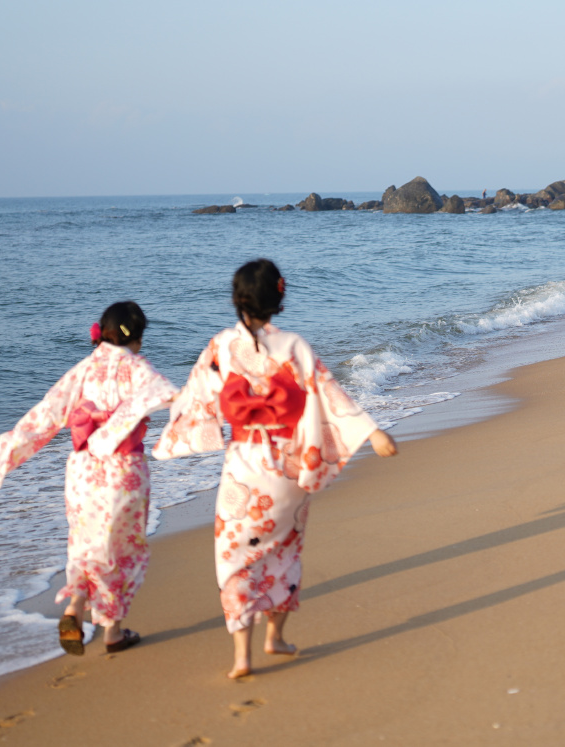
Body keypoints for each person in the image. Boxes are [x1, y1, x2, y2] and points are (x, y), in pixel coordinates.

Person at [153, 259, 398, 679]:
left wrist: (154, 415)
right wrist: (372, 433)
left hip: (243, 465)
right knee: (284, 550)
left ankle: (241, 656)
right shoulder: (293, 346)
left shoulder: (221, 346)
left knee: (235, 556)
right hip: (287, 467)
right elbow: (328, 392)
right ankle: (276, 638)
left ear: (237, 300)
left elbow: (195, 398)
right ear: (278, 299)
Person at [0, 301, 178, 655]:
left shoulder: (83, 369)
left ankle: (75, 605)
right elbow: (165, 394)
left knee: (85, 542)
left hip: (82, 469)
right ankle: (112, 632)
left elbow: (47, 413)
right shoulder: (136, 367)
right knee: (120, 547)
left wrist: (9, 451)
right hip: (121, 469)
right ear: (137, 337)